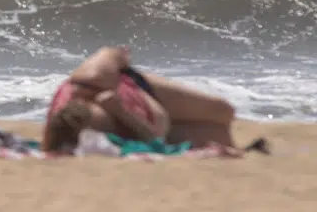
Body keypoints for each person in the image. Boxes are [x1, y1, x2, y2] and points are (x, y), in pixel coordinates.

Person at [41, 46, 237, 153]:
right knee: (222, 138)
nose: (113, 132)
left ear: (86, 103)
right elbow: (155, 140)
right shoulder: (65, 130)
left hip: (142, 90)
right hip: (157, 125)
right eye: (110, 132)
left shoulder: (90, 79)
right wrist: (122, 113)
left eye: (109, 126)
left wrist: (120, 65)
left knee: (224, 111)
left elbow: (113, 53)